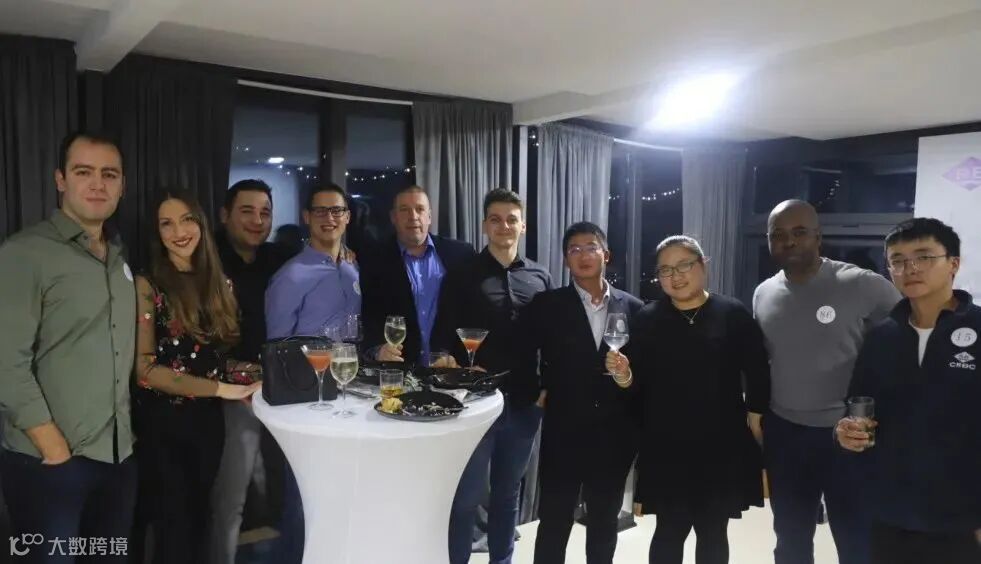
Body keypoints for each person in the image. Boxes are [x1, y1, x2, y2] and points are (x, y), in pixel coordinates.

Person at [0, 131, 137, 563]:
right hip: (51, 463)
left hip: (118, 456)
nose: (98, 184)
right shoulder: (24, 253)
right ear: (61, 179)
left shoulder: (119, 257)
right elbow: (6, 362)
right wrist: (53, 448)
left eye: (109, 174)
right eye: (83, 172)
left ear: (122, 185)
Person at [753, 200, 901, 564]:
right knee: (790, 539)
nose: (789, 241)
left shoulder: (861, 284)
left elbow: (907, 334)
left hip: (846, 437)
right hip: (785, 434)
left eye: (799, 232)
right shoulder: (763, 293)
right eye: (778, 234)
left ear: (818, 237)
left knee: (855, 540)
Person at [836, 218, 981, 564]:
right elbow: (858, 407)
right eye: (898, 260)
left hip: (962, 519)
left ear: (954, 263)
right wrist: (845, 432)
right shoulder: (881, 337)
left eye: (924, 256)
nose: (910, 268)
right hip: (889, 515)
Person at [131, 189, 259, 564]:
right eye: (166, 224)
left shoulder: (221, 284)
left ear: (201, 224)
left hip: (208, 424)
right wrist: (222, 389)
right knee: (174, 532)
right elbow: (145, 371)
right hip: (161, 425)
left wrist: (259, 376)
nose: (179, 232)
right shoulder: (147, 285)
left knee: (201, 521)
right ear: (157, 233)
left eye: (187, 220)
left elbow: (215, 361)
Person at [630, 236, 769, 564]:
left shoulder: (732, 313)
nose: (675, 276)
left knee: (713, 531)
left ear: (703, 265)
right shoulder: (647, 318)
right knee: (669, 530)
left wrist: (756, 417)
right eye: (665, 270)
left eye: (683, 266)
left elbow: (758, 370)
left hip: (720, 443)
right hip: (667, 445)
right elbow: (636, 384)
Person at [438, 189, 552, 564]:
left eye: (511, 219)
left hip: (524, 403)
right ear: (485, 225)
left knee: (507, 495)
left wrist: (545, 390)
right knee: (466, 498)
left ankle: (502, 560)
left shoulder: (540, 276)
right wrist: (453, 365)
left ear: (523, 225)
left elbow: (552, 340)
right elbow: (443, 335)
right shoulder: (462, 275)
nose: (504, 226)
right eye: (495, 219)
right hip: (474, 403)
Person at [524, 222, 643, 564]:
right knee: (554, 520)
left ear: (606, 255)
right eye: (574, 250)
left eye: (591, 247)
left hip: (614, 434)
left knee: (604, 522)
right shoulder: (547, 304)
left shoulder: (633, 308)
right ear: (566, 260)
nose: (583, 255)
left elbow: (645, 370)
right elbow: (522, 350)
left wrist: (628, 377)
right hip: (564, 430)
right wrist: (536, 388)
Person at [265, 183, 362, 564]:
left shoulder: (351, 268)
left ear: (347, 217)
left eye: (337, 210)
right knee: (303, 500)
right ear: (307, 217)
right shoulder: (291, 275)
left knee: (339, 497)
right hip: (304, 401)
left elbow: (353, 333)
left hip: (346, 394)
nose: (329, 218)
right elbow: (276, 349)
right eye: (320, 211)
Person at [210, 179, 291, 564]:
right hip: (225, 394)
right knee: (230, 500)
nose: (258, 221)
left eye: (265, 213)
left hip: (275, 390)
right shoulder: (205, 258)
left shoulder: (279, 259)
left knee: (286, 486)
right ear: (225, 215)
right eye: (247, 211)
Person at [359, 185, 476, 365]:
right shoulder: (374, 260)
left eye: (420, 209)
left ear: (429, 216)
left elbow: (474, 311)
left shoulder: (461, 254)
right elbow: (369, 315)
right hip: (399, 369)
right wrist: (377, 350)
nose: (413, 216)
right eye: (404, 210)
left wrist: (466, 359)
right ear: (393, 217)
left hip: (451, 368)